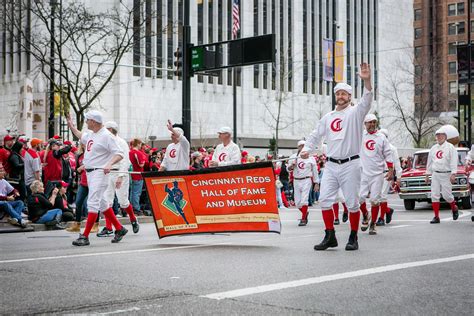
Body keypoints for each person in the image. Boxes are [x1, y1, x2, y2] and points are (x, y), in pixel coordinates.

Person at [301, 63, 373, 251]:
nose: (340, 97)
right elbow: (316, 135)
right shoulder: (328, 117)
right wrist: (307, 148)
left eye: (344, 94)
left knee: (352, 203)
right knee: (325, 200)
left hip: (351, 163)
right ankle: (329, 235)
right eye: (338, 94)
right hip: (331, 165)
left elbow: (367, 100)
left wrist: (366, 80)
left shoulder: (356, 113)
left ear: (349, 97)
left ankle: (353, 236)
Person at [67, 110, 127, 246]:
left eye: (87, 120)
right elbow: (80, 136)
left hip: (99, 173)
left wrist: (109, 164)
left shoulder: (107, 135)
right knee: (102, 203)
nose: (86, 122)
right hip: (90, 172)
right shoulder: (92, 134)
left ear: (93, 121)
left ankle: (85, 236)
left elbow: (119, 153)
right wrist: (71, 126)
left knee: (93, 202)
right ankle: (119, 228)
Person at [97, 121, 139, 237]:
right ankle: (109, 227)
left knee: (123, 202)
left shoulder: (121, 142)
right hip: (108, 173)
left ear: (111, 130)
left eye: (106, 129)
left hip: (120, 173)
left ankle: (133, 218)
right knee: (107, 200)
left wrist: (121, 177)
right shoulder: (106, 142)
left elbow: (125, 160)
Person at [358, 114, 394, 235]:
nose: (372, 124)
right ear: (365, 124)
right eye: (370, 122)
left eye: (374, 122)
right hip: (362, 172)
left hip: (377, 174)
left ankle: (373, 223)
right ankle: (365, 215)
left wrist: (390, 170)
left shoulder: (381, 138)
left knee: (374, 200)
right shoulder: (360, 135)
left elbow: (388, 154)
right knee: (359, 198)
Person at [425, 126, 459, 224]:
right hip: (436, 174)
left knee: (447, 195)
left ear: (445, 136)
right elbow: (430, 162)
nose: (439, 137)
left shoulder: (450, 147)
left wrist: (453, 173)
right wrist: (427, 174)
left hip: (446, 174)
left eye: (441, 135)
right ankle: (436, 217)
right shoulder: (433, 148)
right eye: (438, 135)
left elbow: (453, 161)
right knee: (434, 195)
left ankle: (454, 207)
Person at [288, 140, 318, 226]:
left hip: (306, 180)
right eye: (301, 146)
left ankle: (303, 219)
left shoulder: (311, 158)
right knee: (297, 203)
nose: (302, 147)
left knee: (304, 200)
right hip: (296, 180)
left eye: (304, 146)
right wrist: (291, 166)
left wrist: (316, 183)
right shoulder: (293, 157)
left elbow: (315, 171)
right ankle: (305, 213)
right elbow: (288, 169)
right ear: (298, 147)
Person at [377, 129, 402, 225]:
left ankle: (381, 218)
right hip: (376, 173)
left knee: (382, 195)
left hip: (387, 173)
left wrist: (398, 177)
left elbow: (397, 163)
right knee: (376, 196)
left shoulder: (392, 148)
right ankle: (387, 210)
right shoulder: (376, 146)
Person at [129, 138, 147, 214]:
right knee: (136, 193)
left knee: (132, 192)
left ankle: (130, 207)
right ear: (138, 144)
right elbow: (141, 164)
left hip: (131, 175)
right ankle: (136, 208)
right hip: (138, 175)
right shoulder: (138, 153)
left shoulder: (129, 152)